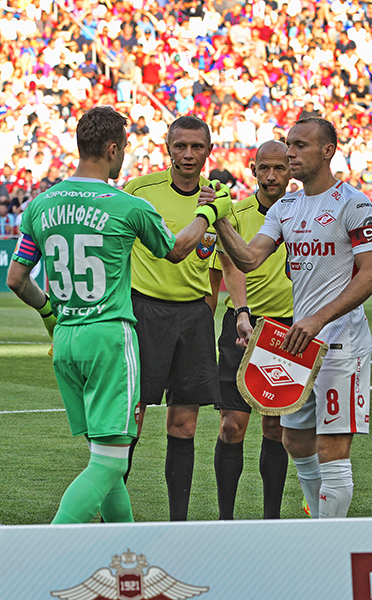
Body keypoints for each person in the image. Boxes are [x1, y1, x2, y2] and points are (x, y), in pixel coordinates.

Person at [6, 107, 230, 524]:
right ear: (113, 149)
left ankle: (126, 546)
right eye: (124, 148)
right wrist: (207, 213)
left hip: (66, 338)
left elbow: (17, 279)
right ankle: (48, 548)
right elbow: (177, 250)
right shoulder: (128, 205)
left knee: (104, 456)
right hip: (109, 337)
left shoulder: (40, 205)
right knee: (109, 464)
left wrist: (50, 314)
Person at [207, 118, 372, 519]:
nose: (290, 153)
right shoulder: (286, 207)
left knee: (332, 448)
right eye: (289, 144)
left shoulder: (354, 204)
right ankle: (319, 524)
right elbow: (249, 258)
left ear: (327, 150)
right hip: (299, 346)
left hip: (341, 344)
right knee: (295, 441)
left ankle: (327, 539)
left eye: (300, 145)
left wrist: (318, 319)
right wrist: (218, 218)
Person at [124, 115, 228, 521]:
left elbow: (222, 263)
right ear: (167, 147)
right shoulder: (139, 190)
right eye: (180, 145)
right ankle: (110, 520)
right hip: (145, 312)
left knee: (184, 425)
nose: (188, 154)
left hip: (193, 317)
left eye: (196, 146)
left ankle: (178, 525)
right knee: (130, 421)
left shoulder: (218, 196)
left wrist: (207, 310)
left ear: (208, 151)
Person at [210, 140, 293, 520]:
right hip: (243, 324)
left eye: (279, 168)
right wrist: (242, 311)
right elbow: (228, 268)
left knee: (275, 427)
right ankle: (226, 521)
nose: (271, 176)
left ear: (291, 170)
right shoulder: (236, 213)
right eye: (264, 168)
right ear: (253, 169)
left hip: (289, 328)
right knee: (232, 426)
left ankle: (270, 520)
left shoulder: (303, 212)